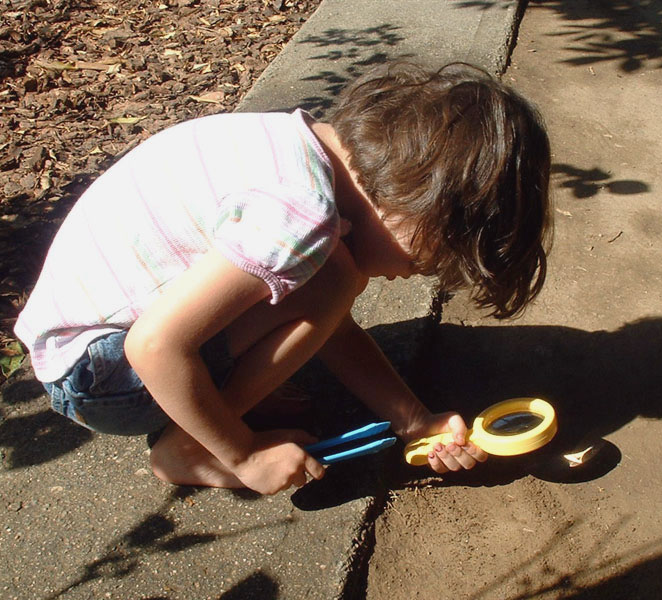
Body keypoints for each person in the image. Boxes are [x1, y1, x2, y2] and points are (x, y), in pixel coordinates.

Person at [14, 61, 552, 495]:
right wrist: (243, 455)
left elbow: (331, 328)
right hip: (98, 376)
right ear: (419, 207)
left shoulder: (294, 147)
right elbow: (153, 347)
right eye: (421, 263)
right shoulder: (301, 216)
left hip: (79, 345)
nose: (404, 277)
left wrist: (416, 422)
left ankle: (211, 402)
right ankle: (187, 448)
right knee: (335, 279)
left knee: (328, 282)